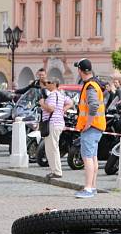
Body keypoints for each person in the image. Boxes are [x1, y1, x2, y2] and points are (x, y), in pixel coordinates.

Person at [73, 58, 106, 198]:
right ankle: (92, 187)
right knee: (93, 157)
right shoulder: (95, 84)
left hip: (91, 127)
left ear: (80, 70)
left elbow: (93, 106)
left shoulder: (90, 86)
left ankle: (88, 188)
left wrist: (88, 123)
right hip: (97, 126)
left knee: (87, 158)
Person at [39, 78, 73, 180]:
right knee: (52, 148)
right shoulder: (60, 94)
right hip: (57, 123)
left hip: (53, 123)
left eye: (48, 82)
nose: (46, 84)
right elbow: (70, 102)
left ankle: (57, 172)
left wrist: (42, 104)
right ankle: (54, 170)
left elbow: (51, 109)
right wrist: (63, 110)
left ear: (54, 84)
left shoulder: (53, 95)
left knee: (52, 148)